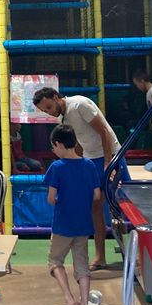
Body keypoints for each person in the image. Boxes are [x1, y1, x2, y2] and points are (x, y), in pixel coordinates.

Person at [32, 86, 122, 269]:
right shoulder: (63, 117)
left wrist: (108, 163)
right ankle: (100, 256)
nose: (49, 113)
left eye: (49, 107)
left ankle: (132, 249)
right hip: (90, 158)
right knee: (95, 207)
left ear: (56, 97)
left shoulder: (80, 104)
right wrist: (77, 165)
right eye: (45, 111)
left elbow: (104, 131)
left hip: (110, 155)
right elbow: (78, 144)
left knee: (122, 202)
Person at [43, 125, 101, 305]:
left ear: (58, 144)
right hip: (83, 224)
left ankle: (69, 298)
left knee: (55, 261)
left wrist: (64, 200)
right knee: (82, 265)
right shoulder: (89, 165)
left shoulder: (57, 167)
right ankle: (84, 302)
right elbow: (97, 195)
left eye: (54, 148)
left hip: (62, 224)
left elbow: (51, 198)